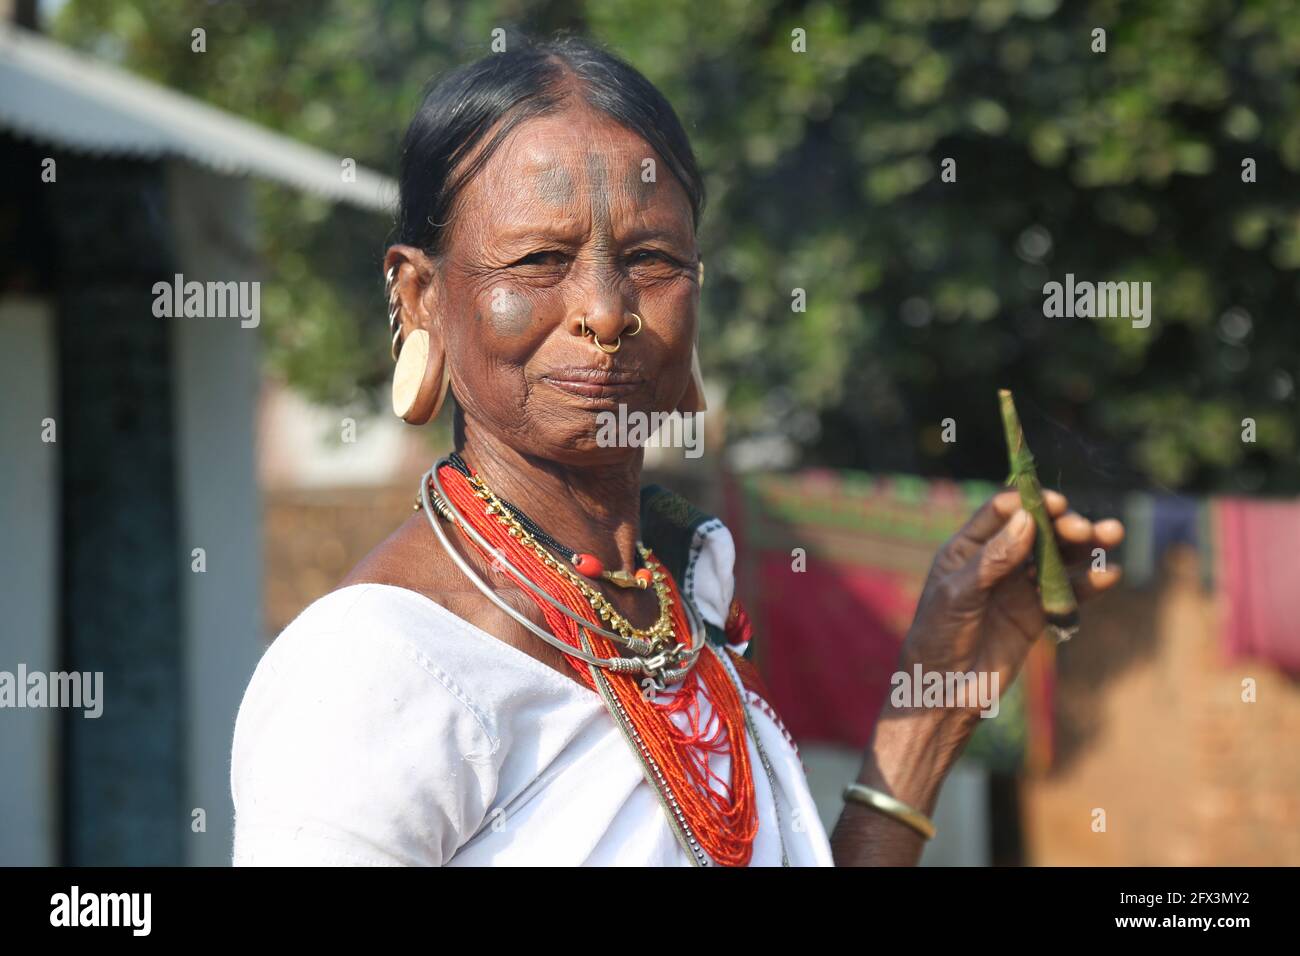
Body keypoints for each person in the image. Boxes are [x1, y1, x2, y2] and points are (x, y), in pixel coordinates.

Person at [230, 34, 1125, 866]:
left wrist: (938, 692)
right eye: (540, 259)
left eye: (652, 259)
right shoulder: (374, 666)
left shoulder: (678, 600)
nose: (608, 310)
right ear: (421, 296)